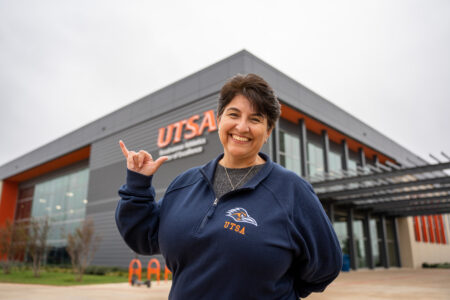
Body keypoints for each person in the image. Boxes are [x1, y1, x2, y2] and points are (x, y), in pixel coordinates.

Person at [116, 74, 342, 299]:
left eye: (255, 119)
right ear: (219, 121)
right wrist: (138, 185)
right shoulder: (185, 184)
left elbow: (326, 266)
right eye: (233, 114)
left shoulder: (292, 191)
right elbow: (144, 238)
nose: (242, 127)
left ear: (268, 131)